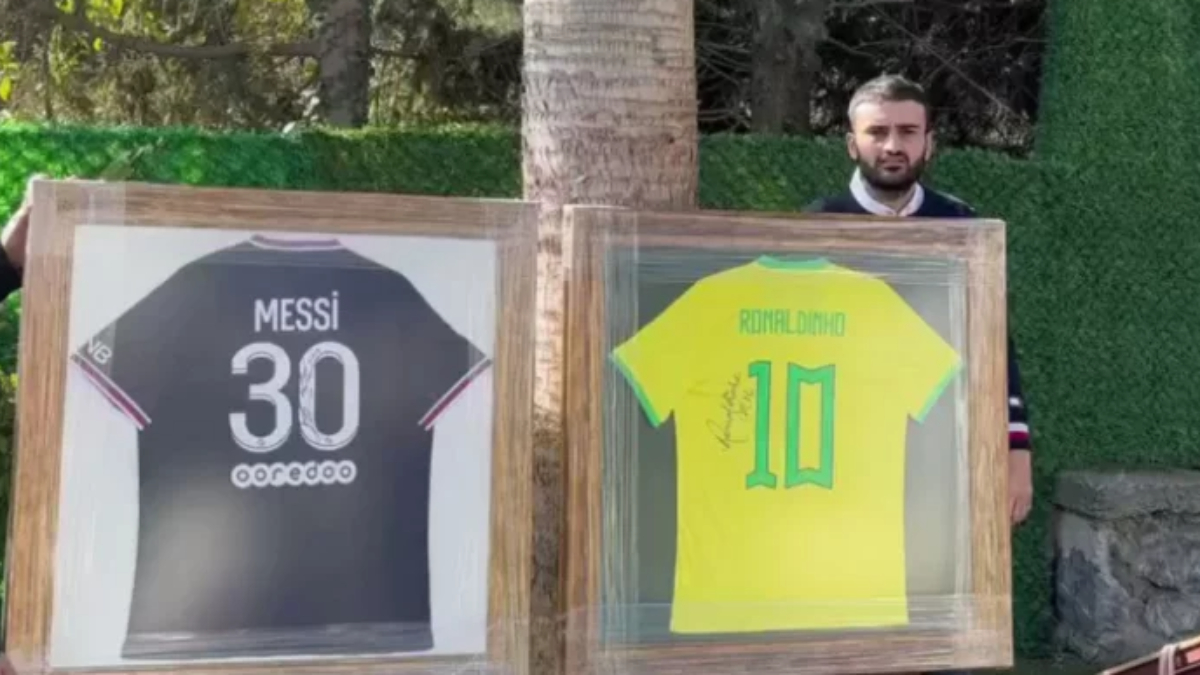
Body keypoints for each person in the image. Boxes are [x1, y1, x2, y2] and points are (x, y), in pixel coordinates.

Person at [803, 74, 1033, 675]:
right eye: (877, 131)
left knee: (938, 612)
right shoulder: (815, 227)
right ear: (851, 142)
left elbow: (994, 344)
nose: (892, 145)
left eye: (908, 131)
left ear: (929, 141)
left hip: (944, 450)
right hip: (843, 454)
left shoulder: (962, 225)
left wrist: (1016, 449)